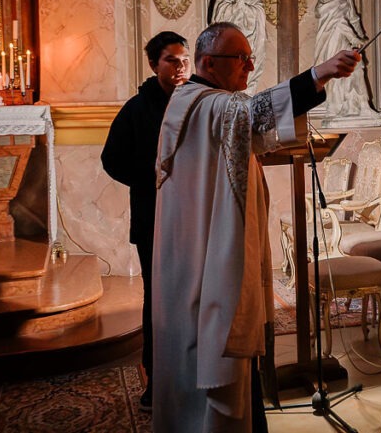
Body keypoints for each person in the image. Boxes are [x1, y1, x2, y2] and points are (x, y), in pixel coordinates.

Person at [152, 22, 359, 433]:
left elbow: (256, 128)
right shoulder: (204, 105)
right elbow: (253, 112)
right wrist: (320, 73)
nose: (249, 66)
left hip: (197, 254)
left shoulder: (203, 105)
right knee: (211, 359)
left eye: (250, 58)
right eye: (240, 59)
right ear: (208, 63)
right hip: (202, 265)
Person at [100, 30, 190, 412]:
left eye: (185, 59)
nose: (181, 66)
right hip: (153, 220)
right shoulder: (136, 109)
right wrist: (153, 177)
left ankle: (189, 375)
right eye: (172, 60)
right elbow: (111, 159)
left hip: (191, 220)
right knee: (159, 302)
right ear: (154, 65)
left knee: (191, 300)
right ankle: (156, 381)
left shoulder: (195, 102)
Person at [313, 0, 381, 127]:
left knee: (356, 69)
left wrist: (360, 36)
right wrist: (354, 38)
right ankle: (334, 108)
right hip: (332, 41)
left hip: (346, 39)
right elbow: (338, 21)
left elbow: (353, 19)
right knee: (337, 72)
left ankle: (363, 106)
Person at [209, 0, 268, 93]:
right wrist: (237, 7)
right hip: (232, 47)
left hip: (252, 44)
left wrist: (247, 9)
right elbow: (219, 18)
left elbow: (259, 15)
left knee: (249, 76)